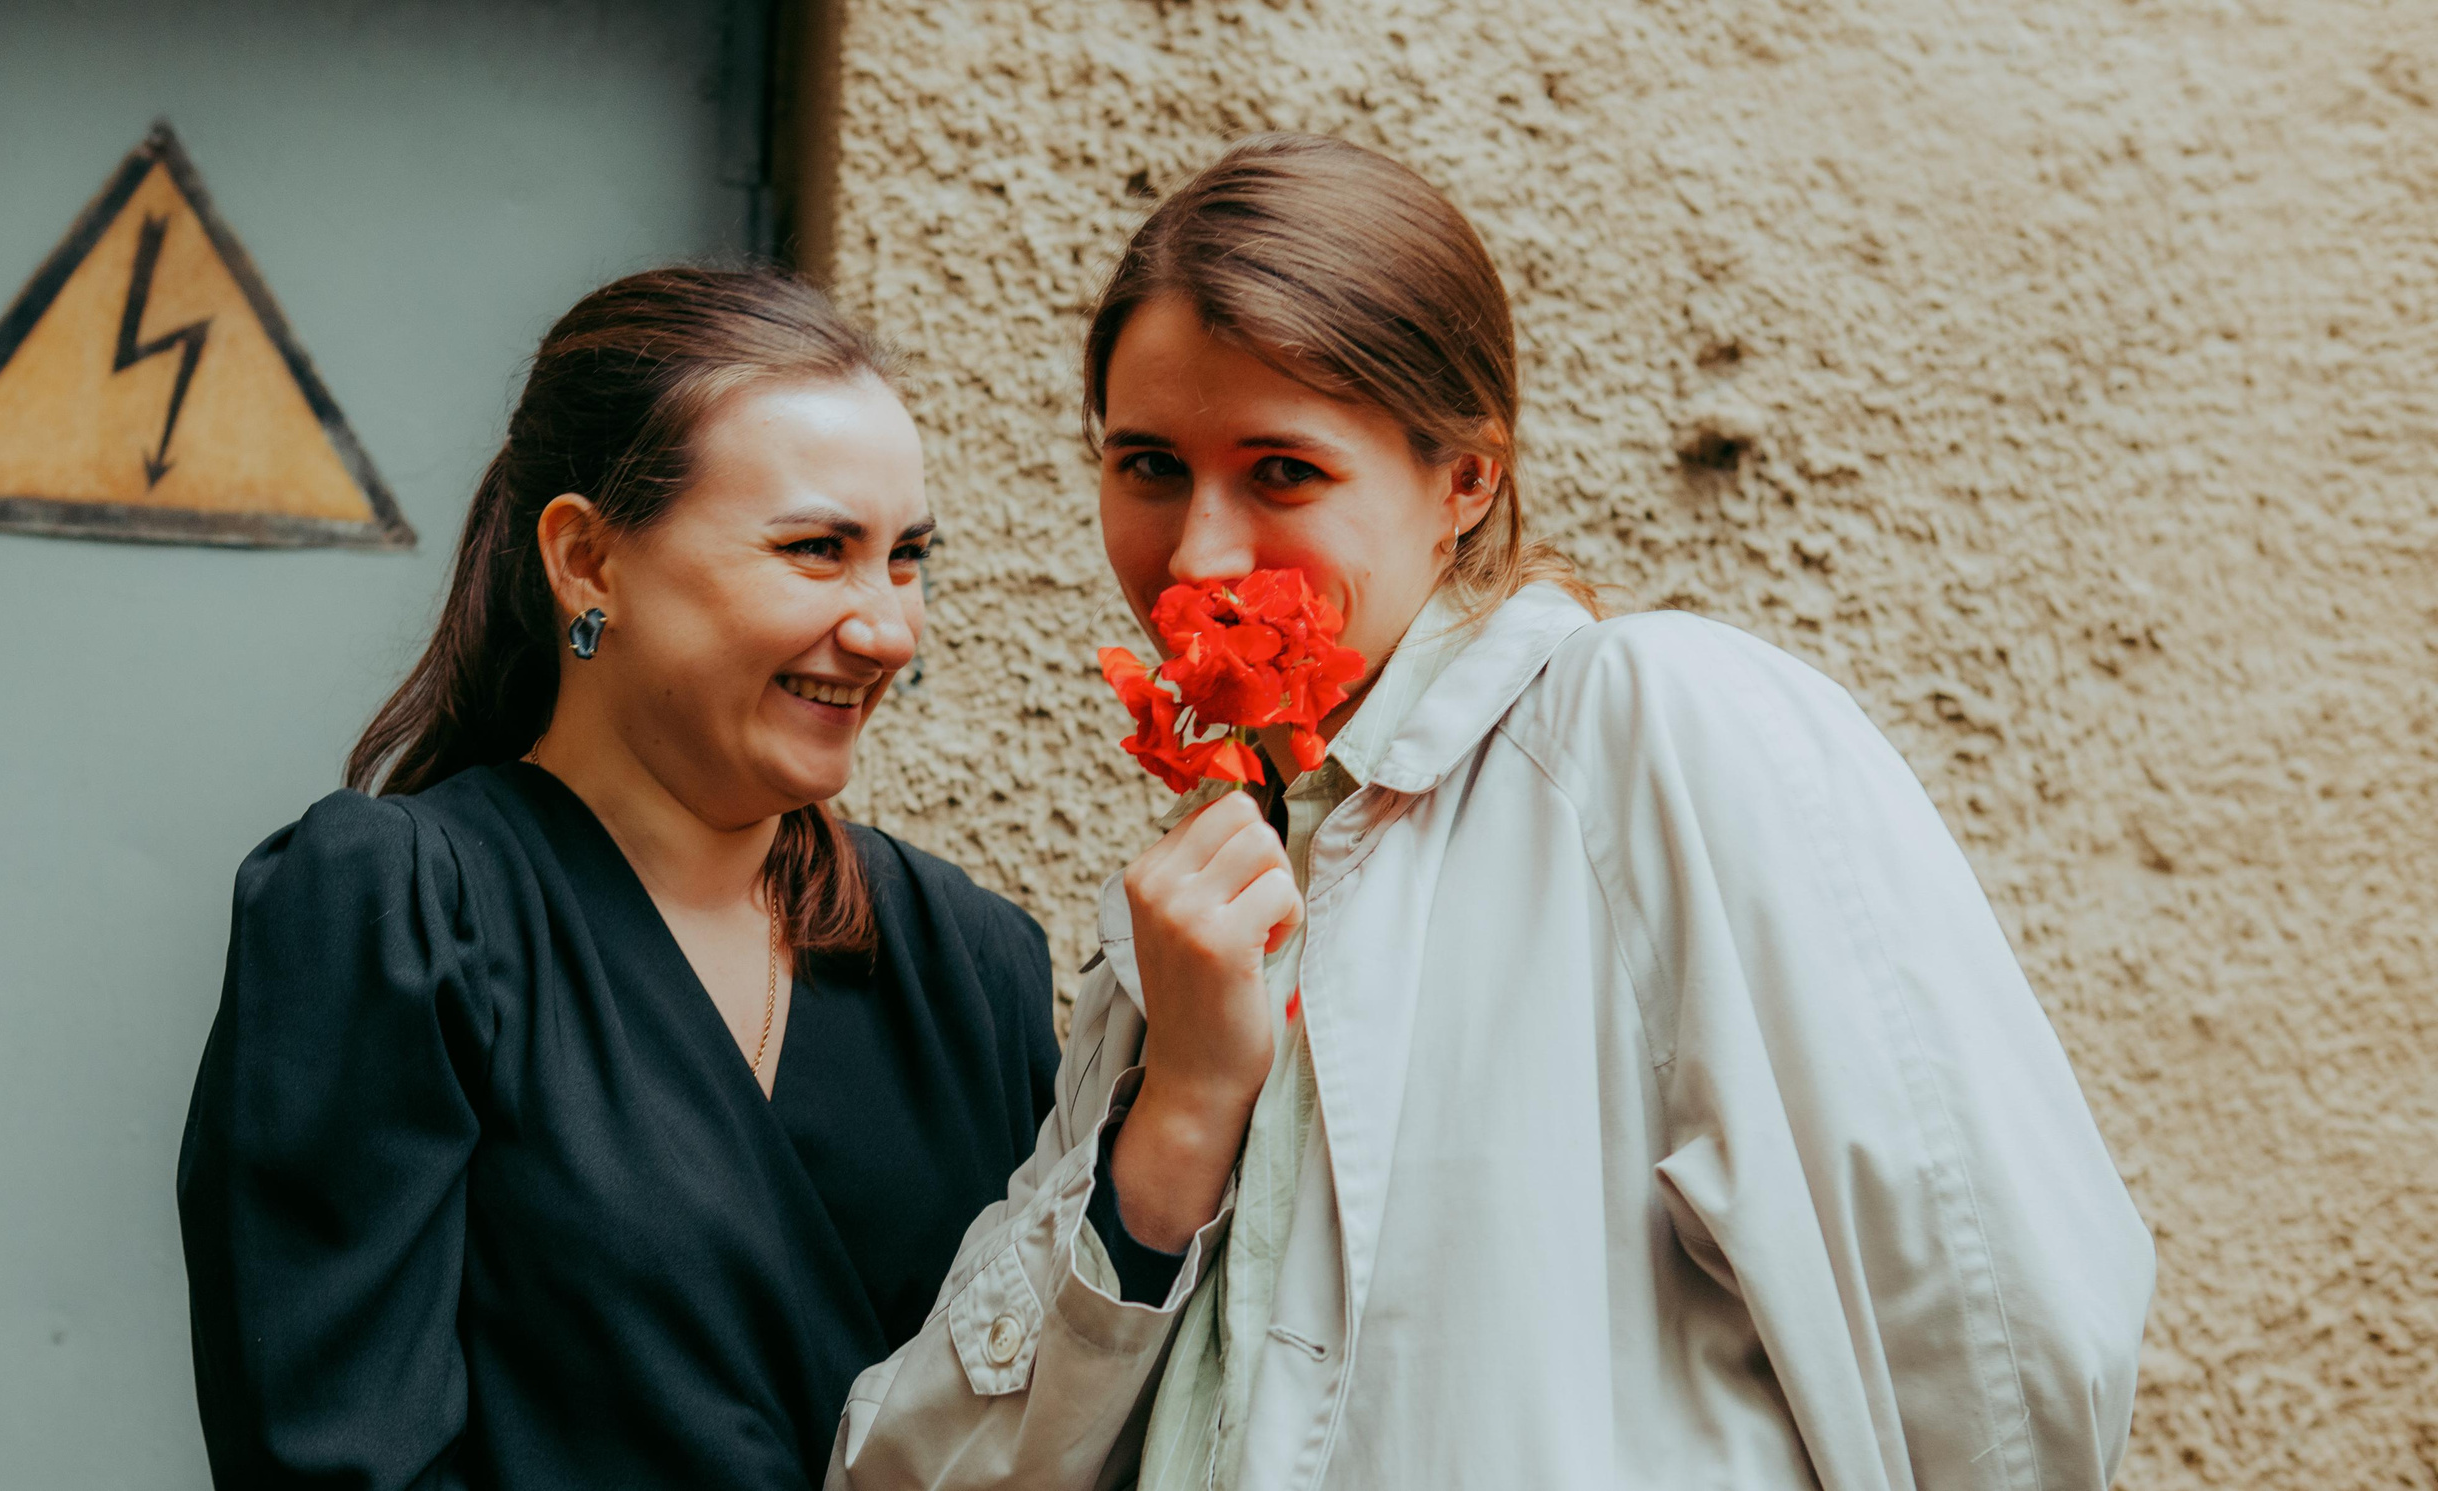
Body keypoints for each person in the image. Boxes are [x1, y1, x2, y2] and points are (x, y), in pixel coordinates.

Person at [825, 135, 2155, 1490]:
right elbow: (920, 1469)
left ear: (1464, 480)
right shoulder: (1184, 911)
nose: (1199, 551)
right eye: (1149, 464)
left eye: (1281, 469)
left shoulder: (1648, 733)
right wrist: (1174, 1118)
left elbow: (2006, 1336)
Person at [176, 267, 1059, 1491]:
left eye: (904, 557)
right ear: (588, 560)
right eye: (817, 550)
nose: (887, 629)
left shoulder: (971, 965)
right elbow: (333, 1460)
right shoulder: (399, 915)